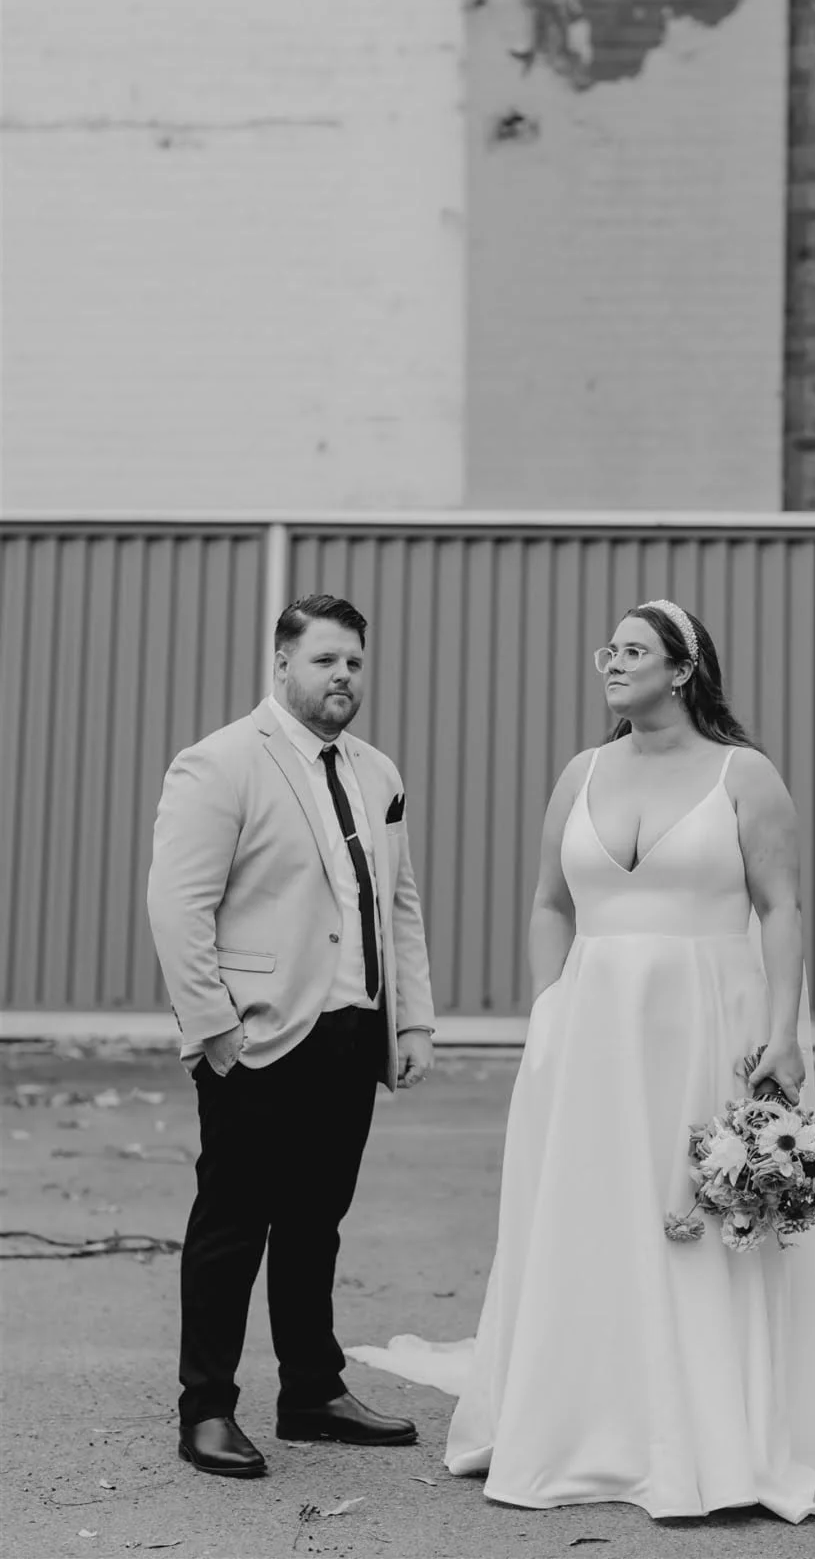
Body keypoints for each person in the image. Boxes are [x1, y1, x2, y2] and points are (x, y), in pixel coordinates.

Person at [348, 599, 815, 1522]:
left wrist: (786, 1034)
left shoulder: (744, 775)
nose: (612, 665)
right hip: (591, 1029)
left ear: (682, 669)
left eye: (632, 651)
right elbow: (551, 903)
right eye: (608, 652)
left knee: (694, 1214)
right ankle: (591, 1419)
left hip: (710, 1023)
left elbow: (781, 909)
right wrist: (549, 1008)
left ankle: (712, 1434)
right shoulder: (581, 772)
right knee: (590, 1211)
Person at [147, 593, 436, 1479]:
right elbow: (178, 907)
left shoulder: (377, 771)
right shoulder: (220, 763)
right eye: (324, 660)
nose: (343, 675)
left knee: (317, 1223)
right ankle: (206, 1409)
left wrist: (411, 1017)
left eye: (354, 661)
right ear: (282, 664)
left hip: (353, 1032)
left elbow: (398, 902)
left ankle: (312, 1392)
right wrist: (215, 1030)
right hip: (259, 1036)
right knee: (232, 1226)